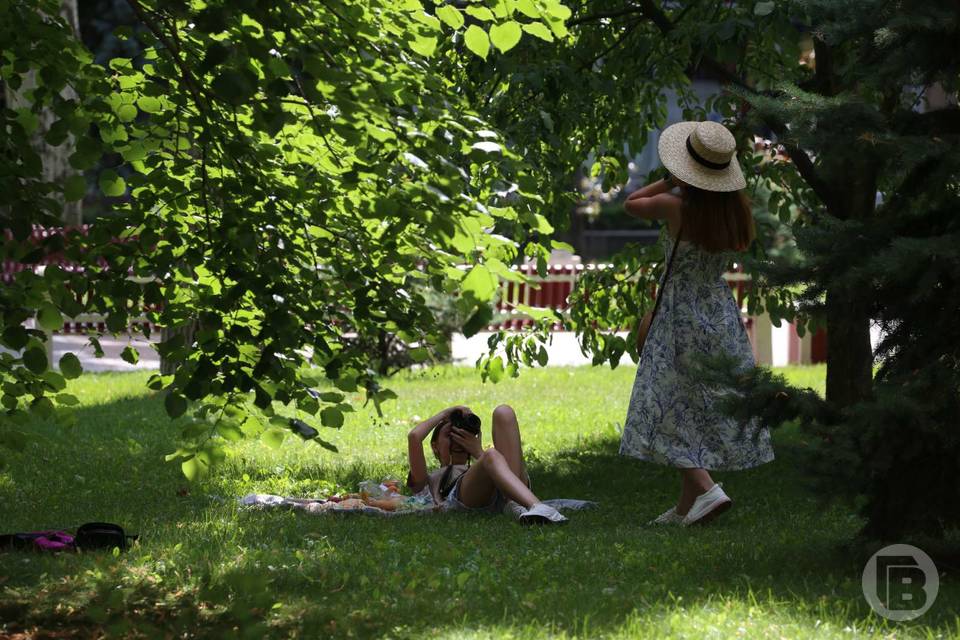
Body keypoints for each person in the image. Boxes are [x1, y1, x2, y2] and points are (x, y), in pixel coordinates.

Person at [620, 120, 775, 526]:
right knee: (694, 402)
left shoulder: (675, 206)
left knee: (664, 402)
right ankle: (685, 508)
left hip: (680, 312)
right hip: (718, 312)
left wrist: (669, 181)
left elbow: (631, 203)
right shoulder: (736, 213)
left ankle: (707, 489)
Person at [406, 404, 567, 524]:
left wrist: (478, 452)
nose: (457, 440)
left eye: (462, 434)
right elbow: (414, 437)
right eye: (450, 435)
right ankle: (536, 506)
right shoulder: (428, 479)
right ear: (434, 446)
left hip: (505, 490)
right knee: (491, 455)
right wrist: (445, 414)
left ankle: (515, 504)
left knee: (503, 412)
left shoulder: (487, 461)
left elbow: (491, 462)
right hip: (464, 499)